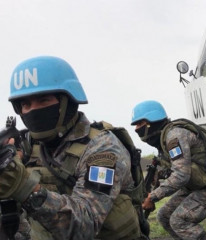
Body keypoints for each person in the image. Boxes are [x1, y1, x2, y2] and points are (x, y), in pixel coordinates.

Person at [0, 56, 143, 239]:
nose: (32, 110)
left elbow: (86, 224)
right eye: (25, 104)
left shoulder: (103, 148)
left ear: (68, 102)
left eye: (43, 100)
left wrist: (21, 185)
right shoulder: (28, 144)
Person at [131, 100, 206, 240]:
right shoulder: (164, 140)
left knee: (179, 221)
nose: (137, 129)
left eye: (139, 124)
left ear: (151, 121)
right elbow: (177, 169)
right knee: (164, 216)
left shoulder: (174, 136)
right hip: (197, 185)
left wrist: (153, 197)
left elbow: (181, 175)